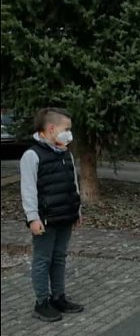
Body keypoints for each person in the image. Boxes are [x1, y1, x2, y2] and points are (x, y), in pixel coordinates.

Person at [19, 107, 85, 322]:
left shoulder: (65, 153)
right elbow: (28, 189)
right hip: (45, 219)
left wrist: (77, 211)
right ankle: (42, 303)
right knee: (42, 260)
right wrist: (33, 218)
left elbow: (72, 184)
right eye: (67, 129)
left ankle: (58, 297)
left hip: (65, 216)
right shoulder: (32, 156)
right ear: (51, 128)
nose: (69, 134)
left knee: (59, 258)